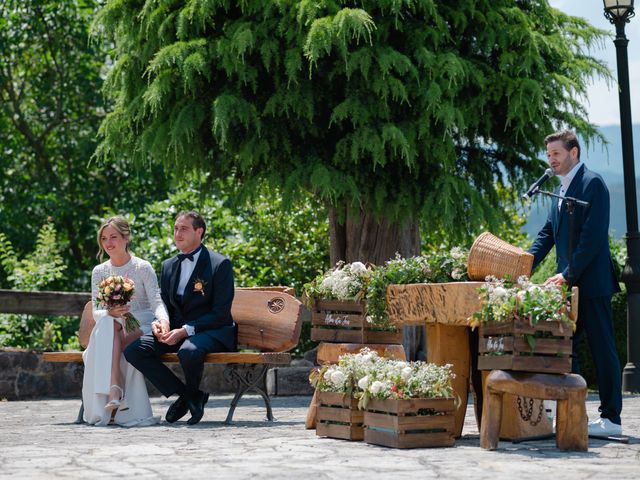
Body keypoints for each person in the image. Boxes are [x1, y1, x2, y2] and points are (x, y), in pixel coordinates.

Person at [528, 129, 623, 436]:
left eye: (556, 153)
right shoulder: (559, 189)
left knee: (602, 348)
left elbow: (592, 239)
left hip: (592, 284)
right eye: (548, 155)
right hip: (568, 286)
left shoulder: (592, 184)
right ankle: (574, 413)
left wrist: (567, 274)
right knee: (565, 349)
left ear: (574, 153)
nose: (551, 160)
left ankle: (611, 420)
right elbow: (546, 235)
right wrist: (522, 265)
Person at [124, 211, 237, 425]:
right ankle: (190, 395)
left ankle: (188, 397)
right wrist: (161, 323)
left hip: (212, 330)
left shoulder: (219, 264)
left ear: (199, 231)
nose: (177, 233)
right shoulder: (168, 265)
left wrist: (186, 330)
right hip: (176, 330)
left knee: (188, 351)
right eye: (175, 229)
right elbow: (162, 303)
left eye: (183, 229)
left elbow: (221, 313)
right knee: (134, 350)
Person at [83, 216, 168, 426]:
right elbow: (96, 311)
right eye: (104, 238)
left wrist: (164, 320)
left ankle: (114, 388)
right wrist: (110, 313)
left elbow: (156, 300)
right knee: (110, 323)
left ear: (126, 237)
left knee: (112, 327)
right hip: (113, 325)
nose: (108, 243)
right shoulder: (99, 271)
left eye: (113, 237)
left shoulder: (142, 267)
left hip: (141, 324)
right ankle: (115, 389)